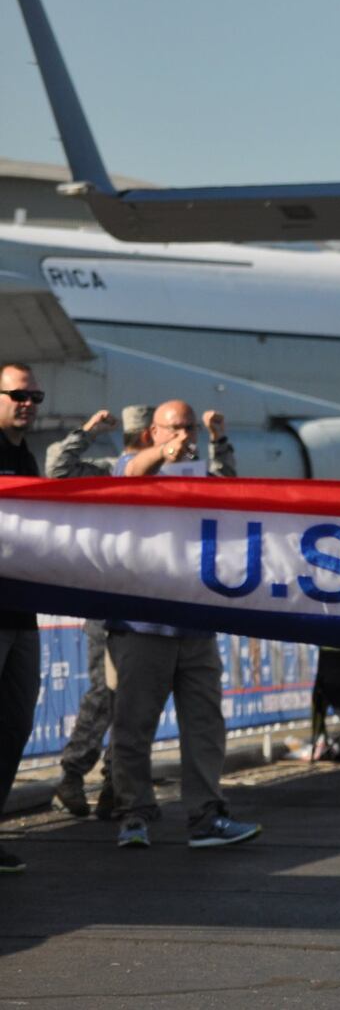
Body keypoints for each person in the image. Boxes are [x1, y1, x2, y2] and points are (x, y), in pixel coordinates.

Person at [107, 400, 260, 850]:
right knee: (133, 726)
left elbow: (233, 494)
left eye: (188, 429)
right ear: (152, 431)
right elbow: (131, 472)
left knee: (205, 726)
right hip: (141, 626)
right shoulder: (132, 466)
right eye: (174, 429)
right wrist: (164, 455)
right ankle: (133, 814)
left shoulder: (199, 474)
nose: (183, 438)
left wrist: (218, 441)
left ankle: (206, 814)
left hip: (195, 627)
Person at [47, 404, 154, 819]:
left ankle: (114, 783)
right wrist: (86, 431)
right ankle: (74, 775)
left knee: (134, 700)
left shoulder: (165, 479)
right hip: (109, 600)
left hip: (145, 602)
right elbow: (57, 468)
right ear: (148, 436)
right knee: (105, 694)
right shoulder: (109, 472)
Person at [0, 362, 44, 873]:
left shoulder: (25, 455)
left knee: (13, 727)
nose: (27, 402)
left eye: (35, 394)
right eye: (18, 394)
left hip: (21, 616)